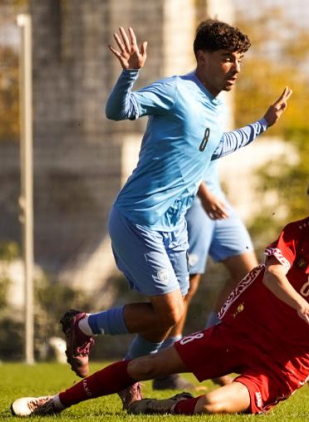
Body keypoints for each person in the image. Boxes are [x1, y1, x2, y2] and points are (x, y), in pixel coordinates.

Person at [10, 169, 309, 416]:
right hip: (239, 334)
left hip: (283, 367)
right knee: (141, 368)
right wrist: (302, 305)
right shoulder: (296, 234)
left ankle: (163, 408)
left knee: (211, 406)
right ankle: (54, 404)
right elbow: (271, 276)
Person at [58, 20, 292, 407]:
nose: (236, 68)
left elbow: (217, 146)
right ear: (202, 57)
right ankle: (82, 326)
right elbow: (119, 111)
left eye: (240, 60)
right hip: (139, 217)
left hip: (174, 229)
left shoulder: (214, 106)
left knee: (166, 317)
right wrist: (130, 73)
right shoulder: (175, 90)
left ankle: (128, 375)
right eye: (227, 59)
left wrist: (263, 124)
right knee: (170, 309)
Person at [153, 164, 259, 391]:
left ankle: (211, 354)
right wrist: (204, 193)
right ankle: (166, 372)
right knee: (186, 286)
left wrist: (261, 126)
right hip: (193, 199)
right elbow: (188, 151)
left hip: (216, 196)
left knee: (249, 277)